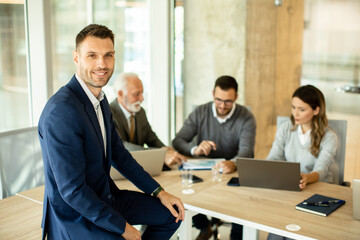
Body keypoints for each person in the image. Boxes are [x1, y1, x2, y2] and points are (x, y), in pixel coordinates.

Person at [38, 24, 184, 240]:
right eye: (92, 56)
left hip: (105, 197)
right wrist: (124, 228)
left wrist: (158, 192)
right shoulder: (62, 111)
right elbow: (73, 192)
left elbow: (119, 155)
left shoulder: (100, 100)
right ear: (76, 58)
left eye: (108, 55)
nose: (102, 64)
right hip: (76, 215)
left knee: (172, 214)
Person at [172, 75, 256, 240]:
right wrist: (195, 149)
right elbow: (178, 141)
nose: (223, 106)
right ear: (212, 94)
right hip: (203, 169)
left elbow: (247, 151)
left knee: (243, 202)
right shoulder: (200, 112)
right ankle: (204, 226)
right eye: (218, 100)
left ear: (236, 98)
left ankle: (236, 237)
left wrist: (233, 163)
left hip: (231, 171)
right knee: (184, 192)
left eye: (228, 102)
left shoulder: (246, 117)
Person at [266, 85, 338, 240]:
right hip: (290, 190)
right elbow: (273, 158)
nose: (295, 113)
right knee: (275, 235)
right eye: (293, 107)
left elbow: (322, 169)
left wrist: (306, 178)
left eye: (301, 109)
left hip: (318, 193)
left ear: (316, 110)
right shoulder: (286, 128)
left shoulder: (329, 137)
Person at [110, 72, 186, 169]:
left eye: (142, 93)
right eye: (136, 94)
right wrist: (160, 155)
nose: (142, 98)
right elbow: (122, 146)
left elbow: (151, 138)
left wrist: (166, 151)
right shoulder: (108, 113)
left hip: (139, 170)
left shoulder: (140, 112)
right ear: (120, 94)